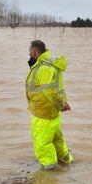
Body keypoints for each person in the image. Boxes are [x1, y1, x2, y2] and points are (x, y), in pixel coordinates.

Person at [25, 40, 73, 170]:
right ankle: (66, 162)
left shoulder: (44, 67)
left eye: (30, 53)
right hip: (50, 113)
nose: (29, 55)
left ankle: (50, 173)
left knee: (42, 144)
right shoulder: (46, 64)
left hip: (43, 114)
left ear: (35, 52)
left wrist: (61, 105)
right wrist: (61, 105)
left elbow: (49, 90)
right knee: (57, 140)